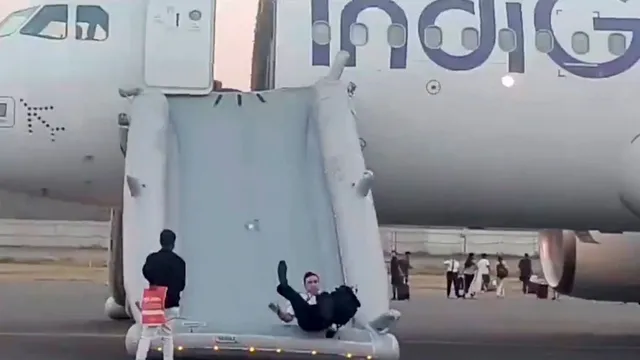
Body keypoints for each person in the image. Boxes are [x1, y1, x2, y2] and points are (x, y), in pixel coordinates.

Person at [269, 261, 360, 338]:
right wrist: (279, 312)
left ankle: (334, 325)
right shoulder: (302, 297)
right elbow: (288, 318)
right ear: (305, 285)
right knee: (296, 298)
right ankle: (284, 286)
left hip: (322, 321)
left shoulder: (326, 298)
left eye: (315, 282)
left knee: (329, 298)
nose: (313, 284)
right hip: (307, 320)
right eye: (310, 282)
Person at [135, 229, 186, 360]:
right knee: (168, 335)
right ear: (173, 243)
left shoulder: (152, 259)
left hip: (154, 301)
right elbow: (182, 285)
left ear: (160, 241)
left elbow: (146, 272)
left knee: (146, 335)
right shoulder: (179, 262)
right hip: (172, 303)